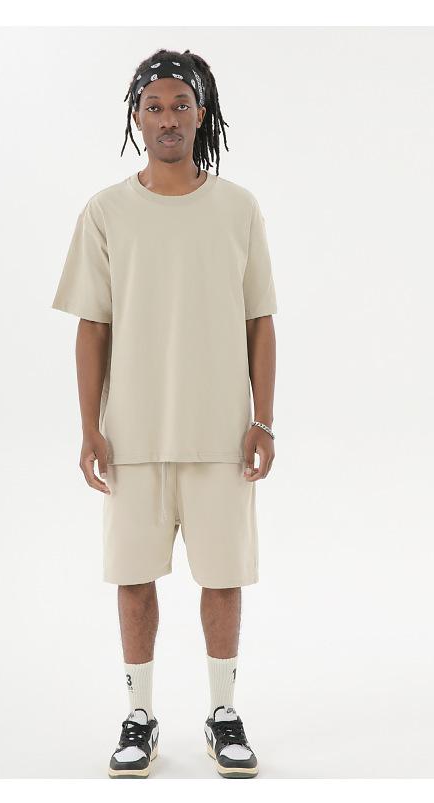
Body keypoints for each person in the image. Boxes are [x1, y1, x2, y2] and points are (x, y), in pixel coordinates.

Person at [51, 48, 277, 779]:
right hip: (134, 435)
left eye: (182, 104)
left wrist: (264, 418)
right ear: (137, 118)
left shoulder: (238, 208)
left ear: (201, 114)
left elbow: (260, 320)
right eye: (155, 107)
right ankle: (139, 715)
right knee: (134, 578)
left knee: (223, 577)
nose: (169, 118)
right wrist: (90, 427)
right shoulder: (106, 211)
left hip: (221, 435)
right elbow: (92, 325)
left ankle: (223, 713)